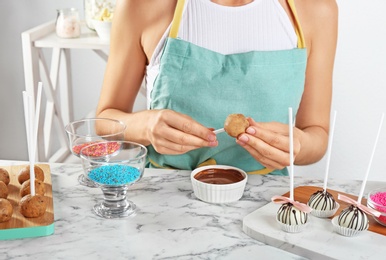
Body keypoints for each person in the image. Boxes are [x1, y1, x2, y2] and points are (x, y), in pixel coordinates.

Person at [96, 0, 338, 175]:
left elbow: (317, 134)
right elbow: (105, 120)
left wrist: (298, 146)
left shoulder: (316, 10)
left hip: (265, 206)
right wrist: (146, 126)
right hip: (165, 200)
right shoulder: (142, 6)